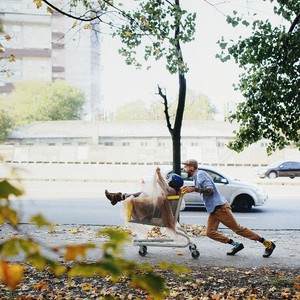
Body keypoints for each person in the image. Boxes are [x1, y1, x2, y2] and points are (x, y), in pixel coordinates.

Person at [181, 159, 276, 257]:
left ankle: (268, 244)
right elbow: (202, 188)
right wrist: (191, 188)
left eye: (185, 167)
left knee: (238, 229)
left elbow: (210, 190)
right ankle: (237, 245)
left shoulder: (200, 174)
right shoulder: (196, 177)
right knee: (210, 233)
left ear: (191, 168)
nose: (184, 169)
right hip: (214, 210)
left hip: (220, 208)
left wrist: (194, 189)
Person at [105, 167, 184, 231]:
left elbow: (164, 186)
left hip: (153, 214)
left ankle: (117, 197)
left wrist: (159, 174)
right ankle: (117, 196)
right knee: (142, 194)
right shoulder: (173, 191)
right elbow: (164, 185)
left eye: (169, 180)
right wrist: (158, 175)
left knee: (142, 194)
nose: (168, 180)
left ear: (172, 183)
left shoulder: (171, 191)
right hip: (155, 211)